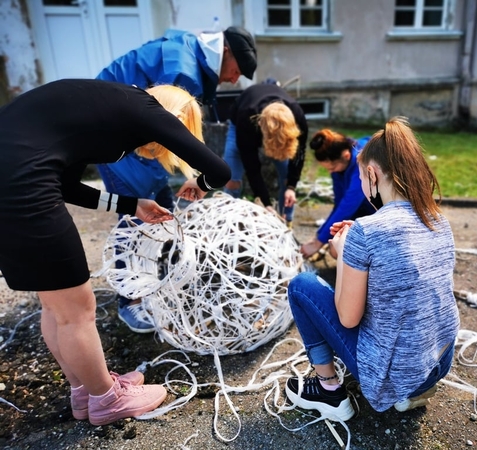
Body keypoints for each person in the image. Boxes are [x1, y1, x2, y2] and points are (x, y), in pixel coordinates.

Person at [0, 79, 231, 425]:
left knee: (57, 306)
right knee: (78, 310)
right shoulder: (147, 109)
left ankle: (87, 391)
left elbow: (66, 186)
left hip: (10, 177)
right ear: (178, 117)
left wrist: (131, 204)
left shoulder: (110, 106)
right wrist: (200, 184)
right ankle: (107, 400)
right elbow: (220, 171)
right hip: (21, 186)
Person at [284, 117, 459, 421]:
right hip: (437, 362)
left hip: (391, 374)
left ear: (372, 175)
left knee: (302, 285)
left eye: (361, 179)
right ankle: (413, 391)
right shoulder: (437, 219)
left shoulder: (367, 232)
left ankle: (328, 391)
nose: (360, 185)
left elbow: (347, 319)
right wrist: (357, 247)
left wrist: (343, 256)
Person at [95, 25, 257, 332]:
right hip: (112, 136)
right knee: (136, 218)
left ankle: (165, 277)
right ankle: (130, 300)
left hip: (131, 135)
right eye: (237, 70)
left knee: (162, 207)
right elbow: (170, 136)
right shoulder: (182, 73)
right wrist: (200, 177)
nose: (235, 79)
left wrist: (191, 177)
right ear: (225, 52)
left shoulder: (190, 50)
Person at [223, 82, 308, 226]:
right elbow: (252, 167)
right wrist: (265, 202)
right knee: (231, 179)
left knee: (287, 177)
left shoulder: (298, 117)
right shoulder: (247, 120)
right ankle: (229, 222)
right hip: (240, 121)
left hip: (269, 123)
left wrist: (291, 187)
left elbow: (299, 154)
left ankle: (285, 221)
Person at [300, 129, 376, 258]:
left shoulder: (364, 160)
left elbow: (347, 205)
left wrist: (318, 242)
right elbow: (339, 203)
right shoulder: (341, 165)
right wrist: (319, 236)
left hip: (383, 214)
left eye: (332, 168)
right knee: (335, 244)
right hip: (365, 209)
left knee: (338, 249)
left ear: (346, 156)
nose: (331, 172)